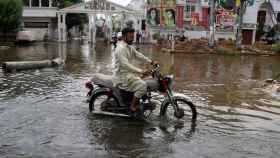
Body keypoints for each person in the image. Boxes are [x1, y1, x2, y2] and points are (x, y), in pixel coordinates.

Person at [112, 27, 157, 114]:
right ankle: (132, 106)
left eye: (133, 37)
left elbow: (138, 55)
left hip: (128, 74)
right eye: (130, 37)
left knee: (146, 78)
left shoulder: (129, 46)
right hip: (123, 76)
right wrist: (141, 71)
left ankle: (141, 100)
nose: (132, 39)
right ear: (124, 36)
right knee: (143, 86)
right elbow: (125, 65)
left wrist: (151, 62)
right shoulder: (120, 49)